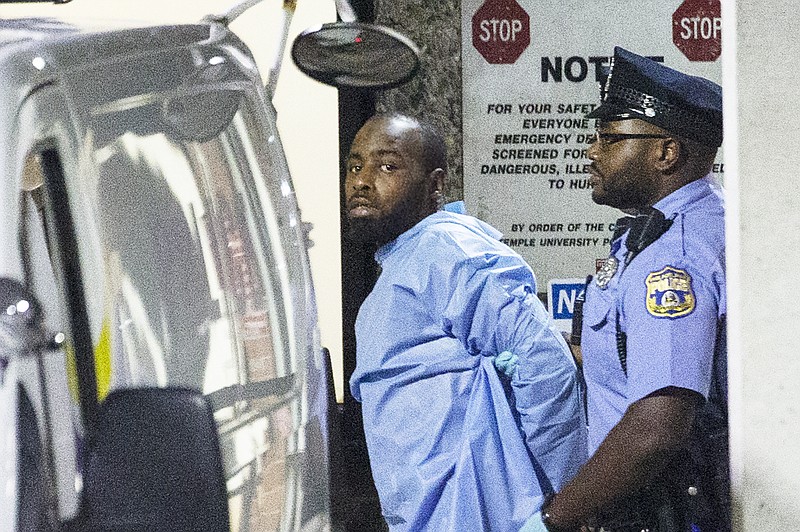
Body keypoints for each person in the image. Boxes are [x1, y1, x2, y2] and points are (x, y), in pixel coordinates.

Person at [346, 113, 587, 531]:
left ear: (435, 184)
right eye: (354, 165)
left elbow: (546, 362)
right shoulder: (404, 261)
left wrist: (564, 505)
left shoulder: (448, 248)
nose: (362, 180)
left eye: (387, 165)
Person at [530, 47, 729, 531]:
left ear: (666, 152)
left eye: (611, 138)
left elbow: (657, 428)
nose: (593, 152)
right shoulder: (663, 233)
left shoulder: (673, 256)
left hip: (663, 512)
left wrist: (557, 518)